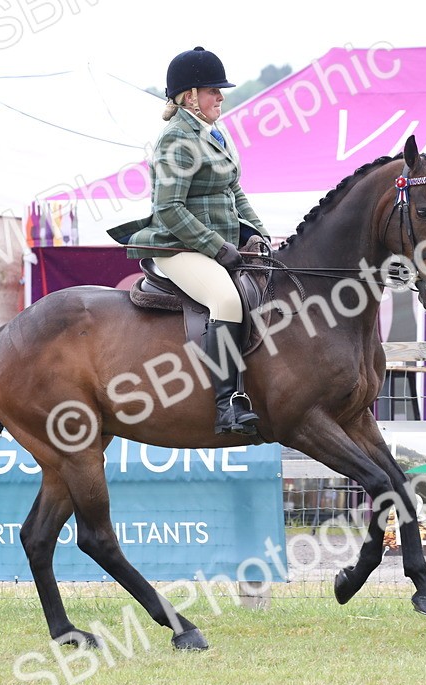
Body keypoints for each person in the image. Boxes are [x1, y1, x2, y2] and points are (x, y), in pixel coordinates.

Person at [108, 46, 270, 437]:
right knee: (226, 300)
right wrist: (217, 248)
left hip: (217, 244)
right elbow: (170, 210)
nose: (221, 96)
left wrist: (260, 234)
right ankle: (226, 404)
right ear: (190, 96)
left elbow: (236, 192)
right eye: (214, 89)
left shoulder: (216, 132)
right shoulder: (176, 141)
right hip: (176, 246)